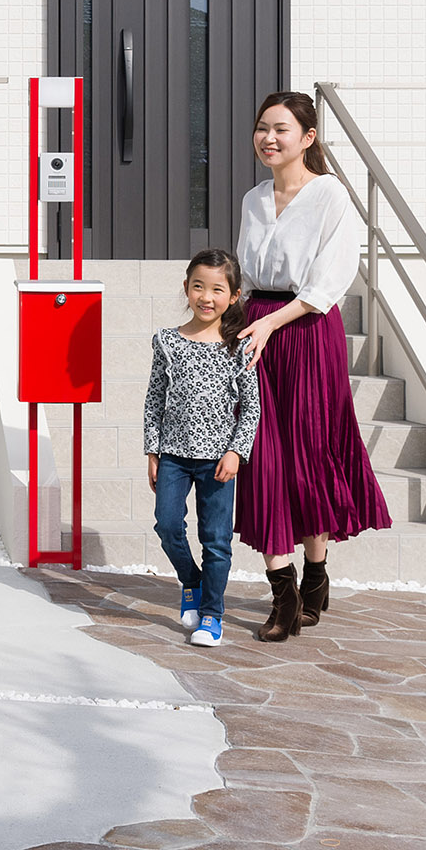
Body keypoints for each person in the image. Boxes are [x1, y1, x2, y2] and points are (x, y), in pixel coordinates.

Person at [234, 91, 392, 643]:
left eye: (281, 129)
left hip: (305, 329)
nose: (268, 138)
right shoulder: (254, 199)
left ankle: (316, 573)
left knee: (309, 453)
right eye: (262, 128)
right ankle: (283, 594)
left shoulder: (330, 194)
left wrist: (273, 323)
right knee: (263, 458)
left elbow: (330, 279)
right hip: (256, 328)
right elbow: (247, 276)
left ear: (307, 138)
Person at [143, 249, 261, 648]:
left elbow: (252, 407)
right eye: (198, 287)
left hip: (218, 461)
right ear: (186, 288)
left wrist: (236, 452)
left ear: (234, 296)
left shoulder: (239, 347)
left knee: (216, 540)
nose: (206, 297)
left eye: (217, 290)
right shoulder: (167, 341)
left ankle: (211, 615)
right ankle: (190, 580)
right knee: (167, 525)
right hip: (174, 456)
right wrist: (153, 451)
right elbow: (154, 399)